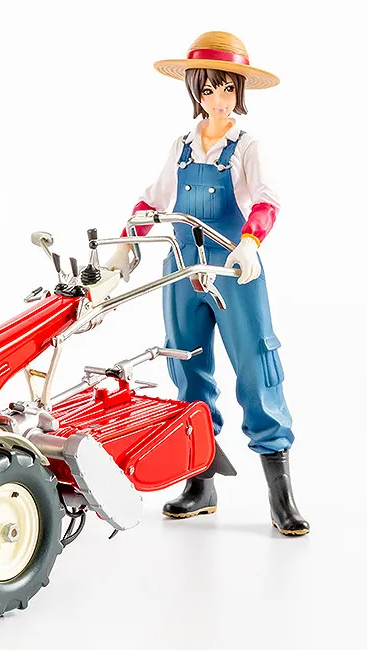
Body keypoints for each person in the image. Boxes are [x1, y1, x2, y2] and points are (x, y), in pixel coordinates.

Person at [107, 31, 309, 535]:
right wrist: (127, 242)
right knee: (188, 371)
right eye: (208, 88)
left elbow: (266, 200)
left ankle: (281, 496)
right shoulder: (181, 145)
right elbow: (152, 200)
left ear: (240, 91)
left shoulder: (247, 146)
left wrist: (250, 242)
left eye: (227, 88)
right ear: (195, 91)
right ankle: (201, 484)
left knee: (257, 371)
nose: (218, 99)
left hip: (234, 271)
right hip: (181, 272)